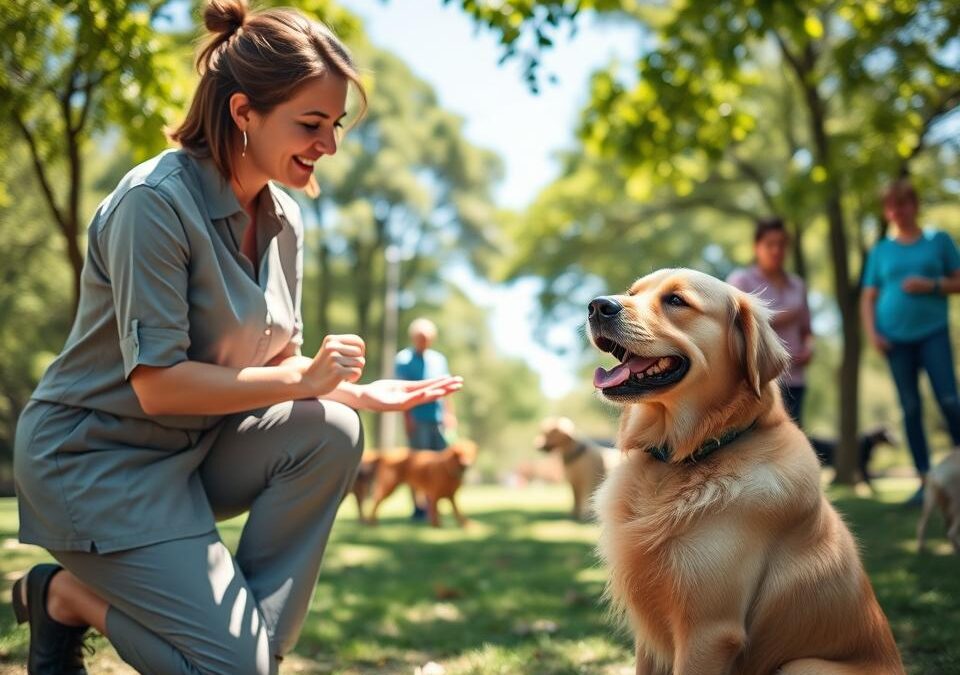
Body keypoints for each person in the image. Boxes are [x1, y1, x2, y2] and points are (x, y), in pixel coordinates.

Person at [10, 2, 463, 673]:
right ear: (243, 112)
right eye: (311, 124)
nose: (329, 146)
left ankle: (248, 656)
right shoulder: (153, 204)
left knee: (330, 427)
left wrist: (355, 391)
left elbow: (275, 362)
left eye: (335, 125)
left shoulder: (285, 218)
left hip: (192, 454)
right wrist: (302, 380)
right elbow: (160, 386)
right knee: (232, 666)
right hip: (95, 464)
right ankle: (67, 597)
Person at [861, 177, 960, 506]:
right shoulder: (881, 251)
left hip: (933, 332)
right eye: (891, 206)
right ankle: (925, 481)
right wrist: (874, 333)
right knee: (911, 408)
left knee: (948, 399)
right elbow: (868, 297)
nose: (897, 211)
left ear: (914, 205)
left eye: (903, 204)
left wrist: (930, 285)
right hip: (894, 339)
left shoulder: (938, 241)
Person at [727, 216, 814, 426]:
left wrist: (809, 348)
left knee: (791, 438)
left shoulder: (797, 285)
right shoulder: (741, 281)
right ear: (757, 247)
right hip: (757, 379)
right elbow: (735, 323)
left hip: (794, 377)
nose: (776, 250)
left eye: (782, 245)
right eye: (770, 244)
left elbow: (807, 329)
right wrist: (783, 314)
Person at [395, 318, 458, 520]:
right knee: (416, 465)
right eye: (421, 337)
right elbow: (401, 390)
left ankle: (434, 505)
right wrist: (407, 418)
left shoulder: (439, 359)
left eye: (428, 338)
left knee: (440, 464)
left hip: (437, 419)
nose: (424, 341)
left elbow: (447, 389)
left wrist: (449, 414)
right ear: (414, 338)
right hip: (417, 418)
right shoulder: (403, 359)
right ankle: (417, 508)